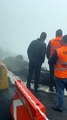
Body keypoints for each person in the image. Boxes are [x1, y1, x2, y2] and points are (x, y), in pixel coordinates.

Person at [48, 35, 67, 112]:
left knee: (60, 92)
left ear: (64, 41)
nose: (60, 41)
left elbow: (50, 62)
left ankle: (60, 107)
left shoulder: (58, 51)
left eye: (61, 40)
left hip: (59, 76)